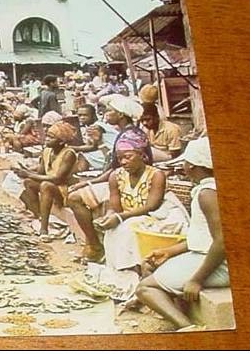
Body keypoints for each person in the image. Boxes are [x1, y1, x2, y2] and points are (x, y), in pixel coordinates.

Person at [136, 137, 227, 331]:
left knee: (145, 288)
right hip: (211, 256)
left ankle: (188, 328)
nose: (183, 167)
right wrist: (170, 251)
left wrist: (196, 279)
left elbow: (222, 241)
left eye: (185, 163)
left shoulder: (207, 194)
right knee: (150, 265)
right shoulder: (208, 189)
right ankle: (181, 312)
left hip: (222, 265)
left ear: (193, 166)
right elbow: (205, 236)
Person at [66, 95, 150, 263]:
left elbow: (118, 169)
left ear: (121, 115)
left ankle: (94, 245)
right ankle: (94, 244)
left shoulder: (130, 136)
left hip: (131, 181)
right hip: (119, 177)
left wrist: (92, 182)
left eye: (110, 111)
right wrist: (92, 181)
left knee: (74, 198)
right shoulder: (125, 133)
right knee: (78, 192)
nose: (106, 114)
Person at [91, 129, 188, 273]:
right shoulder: (115, 176)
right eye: (119, 158)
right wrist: (109, 216)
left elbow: (151, 206)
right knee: (112, 231)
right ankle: (119, 273)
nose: (123, 162)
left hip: (155, 219)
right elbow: (115, 207)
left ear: (142, 155)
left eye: (128, 157)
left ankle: (135, 271)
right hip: (127, 218)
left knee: (128, 229)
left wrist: (119, 217)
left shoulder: (156, 175)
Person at [14, 121, 77, 238]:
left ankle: (44, 229)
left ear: (61, 141)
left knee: (45, 185)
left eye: (51, 137)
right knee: (28, 183)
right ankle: (39, 216)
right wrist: (23, 172)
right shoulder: (47, 151)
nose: (47, 139)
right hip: (50, 184)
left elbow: (58, 179)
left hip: (64, 190)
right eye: (47, 135)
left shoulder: (69, 154)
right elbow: (40, 173)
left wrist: (28, 174)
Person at [70, 104, 118, 172]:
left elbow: (92, 147)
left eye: (85, 115)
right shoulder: (94, 125)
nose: (82, 117)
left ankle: (80, 172)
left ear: (93, 115)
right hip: (107, 151)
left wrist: (70, 148)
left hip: (110, 153)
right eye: (80, 115)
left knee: (83, 155)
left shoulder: (96, 127)